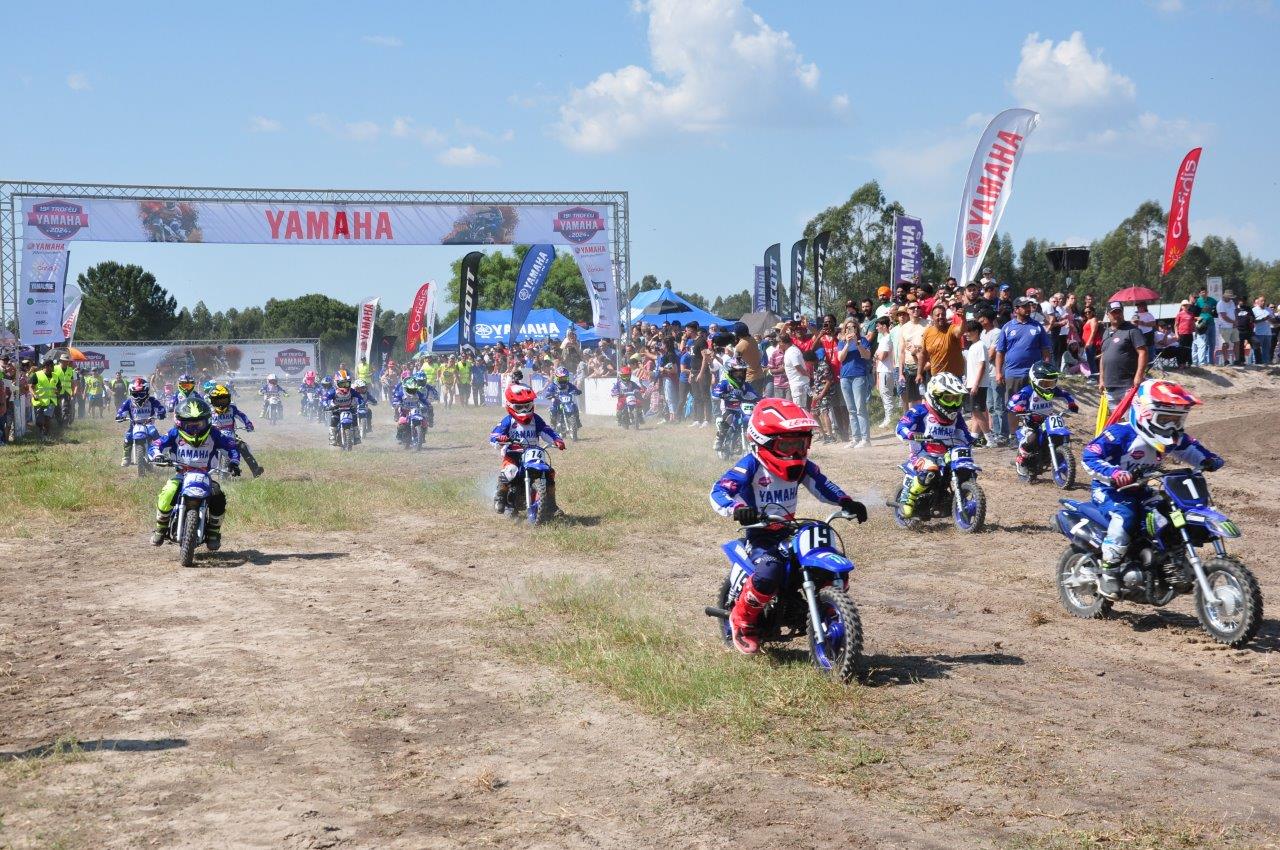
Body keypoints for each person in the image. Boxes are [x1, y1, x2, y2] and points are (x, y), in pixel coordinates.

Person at [708, 398, 866, 654]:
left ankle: (825, 609)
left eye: (801, 443)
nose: (795, 451)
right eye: (788, 443)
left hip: (788, 529)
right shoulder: (750, 465)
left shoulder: (803, 466)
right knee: (769, 571)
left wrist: (846, 501)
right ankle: (743, 620)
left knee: (829, 560)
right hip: (761, 535)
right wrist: (738, 510)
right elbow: (719, 491)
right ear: (764, 441)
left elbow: (823, 485)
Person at [1082, 380, 1223, 597]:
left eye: (1177, 419)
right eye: (1165, 419)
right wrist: (1115, 474)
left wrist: (1208, 459)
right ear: (1144, 412)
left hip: (1142, 489)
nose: (1171, 426)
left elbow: (1189, 448)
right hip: (1109, 490)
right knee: (1126, 516)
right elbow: (1090, 456)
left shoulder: (1171, 437)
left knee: (1171, 514)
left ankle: (1172, 559)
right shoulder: (1120, 433)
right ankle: (1109, 571)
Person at [148, 397, 241, 549]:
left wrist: (234, 463)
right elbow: (156, 445)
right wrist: (157, 455)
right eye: (190, 425)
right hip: (182, 475)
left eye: (199, 424)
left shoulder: (214, 434)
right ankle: (161, 528)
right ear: (179, 422)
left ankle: (213, 532)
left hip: (206, 475)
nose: (195, 428)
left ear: (207, 421)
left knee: (218, 497)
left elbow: (231, 447)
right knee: (168, 492)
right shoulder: (174, 433)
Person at [895, 373, 972, 518]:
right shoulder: (920, 411)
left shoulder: (957, 416)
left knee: (966, 467)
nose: (954, 404)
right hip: (922, 454)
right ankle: (908, 500)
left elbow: (964, 434)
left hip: (946, 453)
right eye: (949, 399)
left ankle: (958, 497)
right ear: (935, 396)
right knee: (930, 469)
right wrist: (911, 435)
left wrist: (973, 439)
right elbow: (901, 426)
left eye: (957, 399)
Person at [488, 383, 565, 514]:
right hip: (513, 455)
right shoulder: (508, 421)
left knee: (549, 473)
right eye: (519, 407)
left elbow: (547, 430)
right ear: (510, 406)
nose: (524, 410)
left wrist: (556, 440)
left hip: (533, 455)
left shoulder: (536, 419)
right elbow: (494, 434)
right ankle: (500, 497)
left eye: (527, 406)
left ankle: (551, 505)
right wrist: (499, 439)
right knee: (510, 471)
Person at [994, 297, 1052, 437]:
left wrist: (1046, 370)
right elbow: (1000, 352)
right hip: (1013, 373)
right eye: (1024, 306)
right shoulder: (1007, 327)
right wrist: (998, 372)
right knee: (1014, 405)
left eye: (1029, 306)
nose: (1027, 308)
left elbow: (1045, 351)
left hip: (1034, 375)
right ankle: (1014, 435)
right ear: (1016, 310)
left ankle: (1036, 433)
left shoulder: (1037, 326)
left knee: (1036, 404)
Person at [1007, 362, 1079, 474]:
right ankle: (1021, 457)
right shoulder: (1027, 391)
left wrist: (1071, 403)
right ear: (1035, 381)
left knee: (1059, 436)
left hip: (1048, 420)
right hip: (1032, 423)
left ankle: (1058, 455)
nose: (1049, 387)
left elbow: (1066, 394)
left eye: (1052, 383)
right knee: (1032, 438)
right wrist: (1018, 407)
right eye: (1045, 383)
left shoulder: (1053, 390)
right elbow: (1011, 402)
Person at [1098, 301, 1149, 406]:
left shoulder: (1132, 330)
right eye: (1113, 312)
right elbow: (1103, 357)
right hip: (1109, 386)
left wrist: (1139, 376)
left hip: (1127, 385)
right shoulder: (1106, 332)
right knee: (1114, 421)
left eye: (1119, 312)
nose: (1117, 315)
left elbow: (1143, 352)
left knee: (1129, 419)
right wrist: (1101, 379)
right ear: (1107, 315)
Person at [208, 384, 264, 477]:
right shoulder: (208, 411)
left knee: (242, 446)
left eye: (224, 399)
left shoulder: (232, 409)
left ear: (229, 399)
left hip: (231, 434)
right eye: (218, 400)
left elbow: (242, 416)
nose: (221, 403)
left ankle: (255, 469)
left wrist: (248, 424)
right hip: (214, 435)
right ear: (212, 400)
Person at [115, 377, 167, 466]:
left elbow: (160, 407)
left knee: (155, 434)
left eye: (141, 393)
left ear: (147, 392)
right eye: (136, 394)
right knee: (128, 437)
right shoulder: (129, 402)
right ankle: (126, 457)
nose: (138, 397)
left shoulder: (152, 400)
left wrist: (161, 412)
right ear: (131, 393)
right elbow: (122, 410)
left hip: (149, 424)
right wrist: (120, 416)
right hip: (134, 425)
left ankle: (161, 454)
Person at [837, 317, 872, 447]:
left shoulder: (863, 340)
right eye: (848, 327)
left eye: (853, 327)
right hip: (845, 377)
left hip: (859, 376)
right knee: (851, 409)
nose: (850, 329)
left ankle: (865, 439)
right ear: (844, 329)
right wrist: (847, 343)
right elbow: (840, 358)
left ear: (857, 329)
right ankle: (856, 438)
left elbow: (867, 356)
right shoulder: (841, 342)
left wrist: (857, 344)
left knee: (860, 408)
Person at [711, 358, 762, 446]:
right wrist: (723, 395)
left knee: (753, 418)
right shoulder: (724, 383)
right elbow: (714, 393)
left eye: (742, 373)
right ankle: (719, 439)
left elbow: (754, 394)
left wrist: (762, 399)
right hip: (729, 408)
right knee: (729, 417)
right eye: (737, 373)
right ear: (729, 373)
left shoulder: (745, 385)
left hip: (742, 408)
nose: (740, 376)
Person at [961, 320, 992, 447]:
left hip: (978, 385)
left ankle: (990, 439)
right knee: (974, 412)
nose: (966, 334)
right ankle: (973, 438)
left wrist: (976, 384)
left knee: (977, 412)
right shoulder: (973, 346)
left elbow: (982, 366)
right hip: (972, 384)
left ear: (976, 332)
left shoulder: (980, 345)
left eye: (969, 331)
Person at [322, 376, 362, 446]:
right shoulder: (333, 391)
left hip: (349, 408)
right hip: (337, 409)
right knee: (334, 420)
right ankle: (332, 439)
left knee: (355, 419)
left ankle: (357, 437)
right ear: (337, 384)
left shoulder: (351, 391)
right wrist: (326, 405)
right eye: (342, 384)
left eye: (346, 384)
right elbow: (325, 398)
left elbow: (359, 397)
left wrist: (360, 403)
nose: (344, 386)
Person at [873, 315, 897, 428]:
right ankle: (889, 417)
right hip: (883, 371)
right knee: (884, 394)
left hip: (887, 371)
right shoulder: (883, 339)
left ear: (884, 326)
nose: (876, 328)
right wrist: (877, 355)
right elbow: (878, 355)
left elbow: (882, 356)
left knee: (887, 394)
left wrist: (876, 355)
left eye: (878, 326)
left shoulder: (887, 339)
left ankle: (890, 418)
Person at [543, 366, 583, 433]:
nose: (562, 380)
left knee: (575, 407)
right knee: (553, 409)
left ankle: (577, 422)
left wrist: (577, 391)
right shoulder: (553, 385)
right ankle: (553, 424)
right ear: (556, 377)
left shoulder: (569, 385)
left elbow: (574, 389)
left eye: (564, 378)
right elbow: (548, 393)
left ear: (567, 378)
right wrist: (551, 395)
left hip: (567, 402)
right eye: (560, 378)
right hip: (557, 402)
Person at [31, 360, 61, 440]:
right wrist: (34, 394)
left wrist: (57, 391)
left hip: (51, 401)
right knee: (39, 421)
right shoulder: (36, 375)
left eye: (52, 366)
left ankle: (46, 435)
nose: (52, 368)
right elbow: (31, 386)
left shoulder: (55, 376)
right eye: (50, 366)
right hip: (39, 401)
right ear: (45, 366)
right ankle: (41, 432)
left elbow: (59, 386)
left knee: (47, 418)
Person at [783, 331, 810, 409]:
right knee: (801, 408)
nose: (778, 345)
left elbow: (798, 366)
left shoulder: (792, 352)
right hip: (797, 383)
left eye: (779, 342)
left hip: (799, 384)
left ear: (783, 343)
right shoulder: (790, 350)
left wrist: (808, 375)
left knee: (801, 409)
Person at [1252, 296, 1274, 365]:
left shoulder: (1269, 310)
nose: (1263, 302)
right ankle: (1256, 363)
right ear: (1258, 302)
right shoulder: (1254, 310)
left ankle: (1266, 363)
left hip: (1268, 333)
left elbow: (1273, 320)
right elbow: (1253, 321)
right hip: (1258, 333)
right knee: (1257, 349)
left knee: (1266, 350)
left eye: (1264, 301)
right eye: (1261, 301)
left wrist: (1271, 319)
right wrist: (1264, 319)